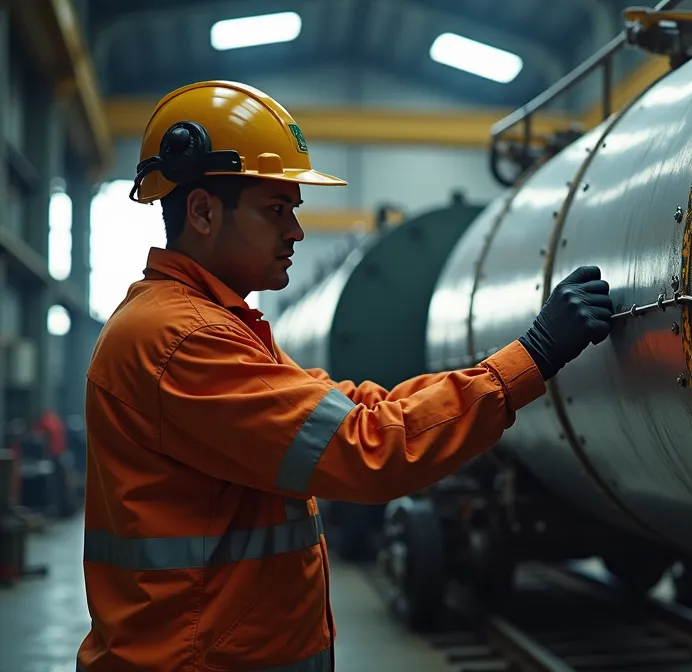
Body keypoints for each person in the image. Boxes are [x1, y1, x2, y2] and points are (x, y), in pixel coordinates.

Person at [75, 80, 614, 672]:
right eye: (276, 210)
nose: (296, 231)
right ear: (203, 211)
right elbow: (366, 450)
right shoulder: (182, 341)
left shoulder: (209, 323)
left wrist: (493, 369)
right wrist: (531, 357)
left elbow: (350, 408)